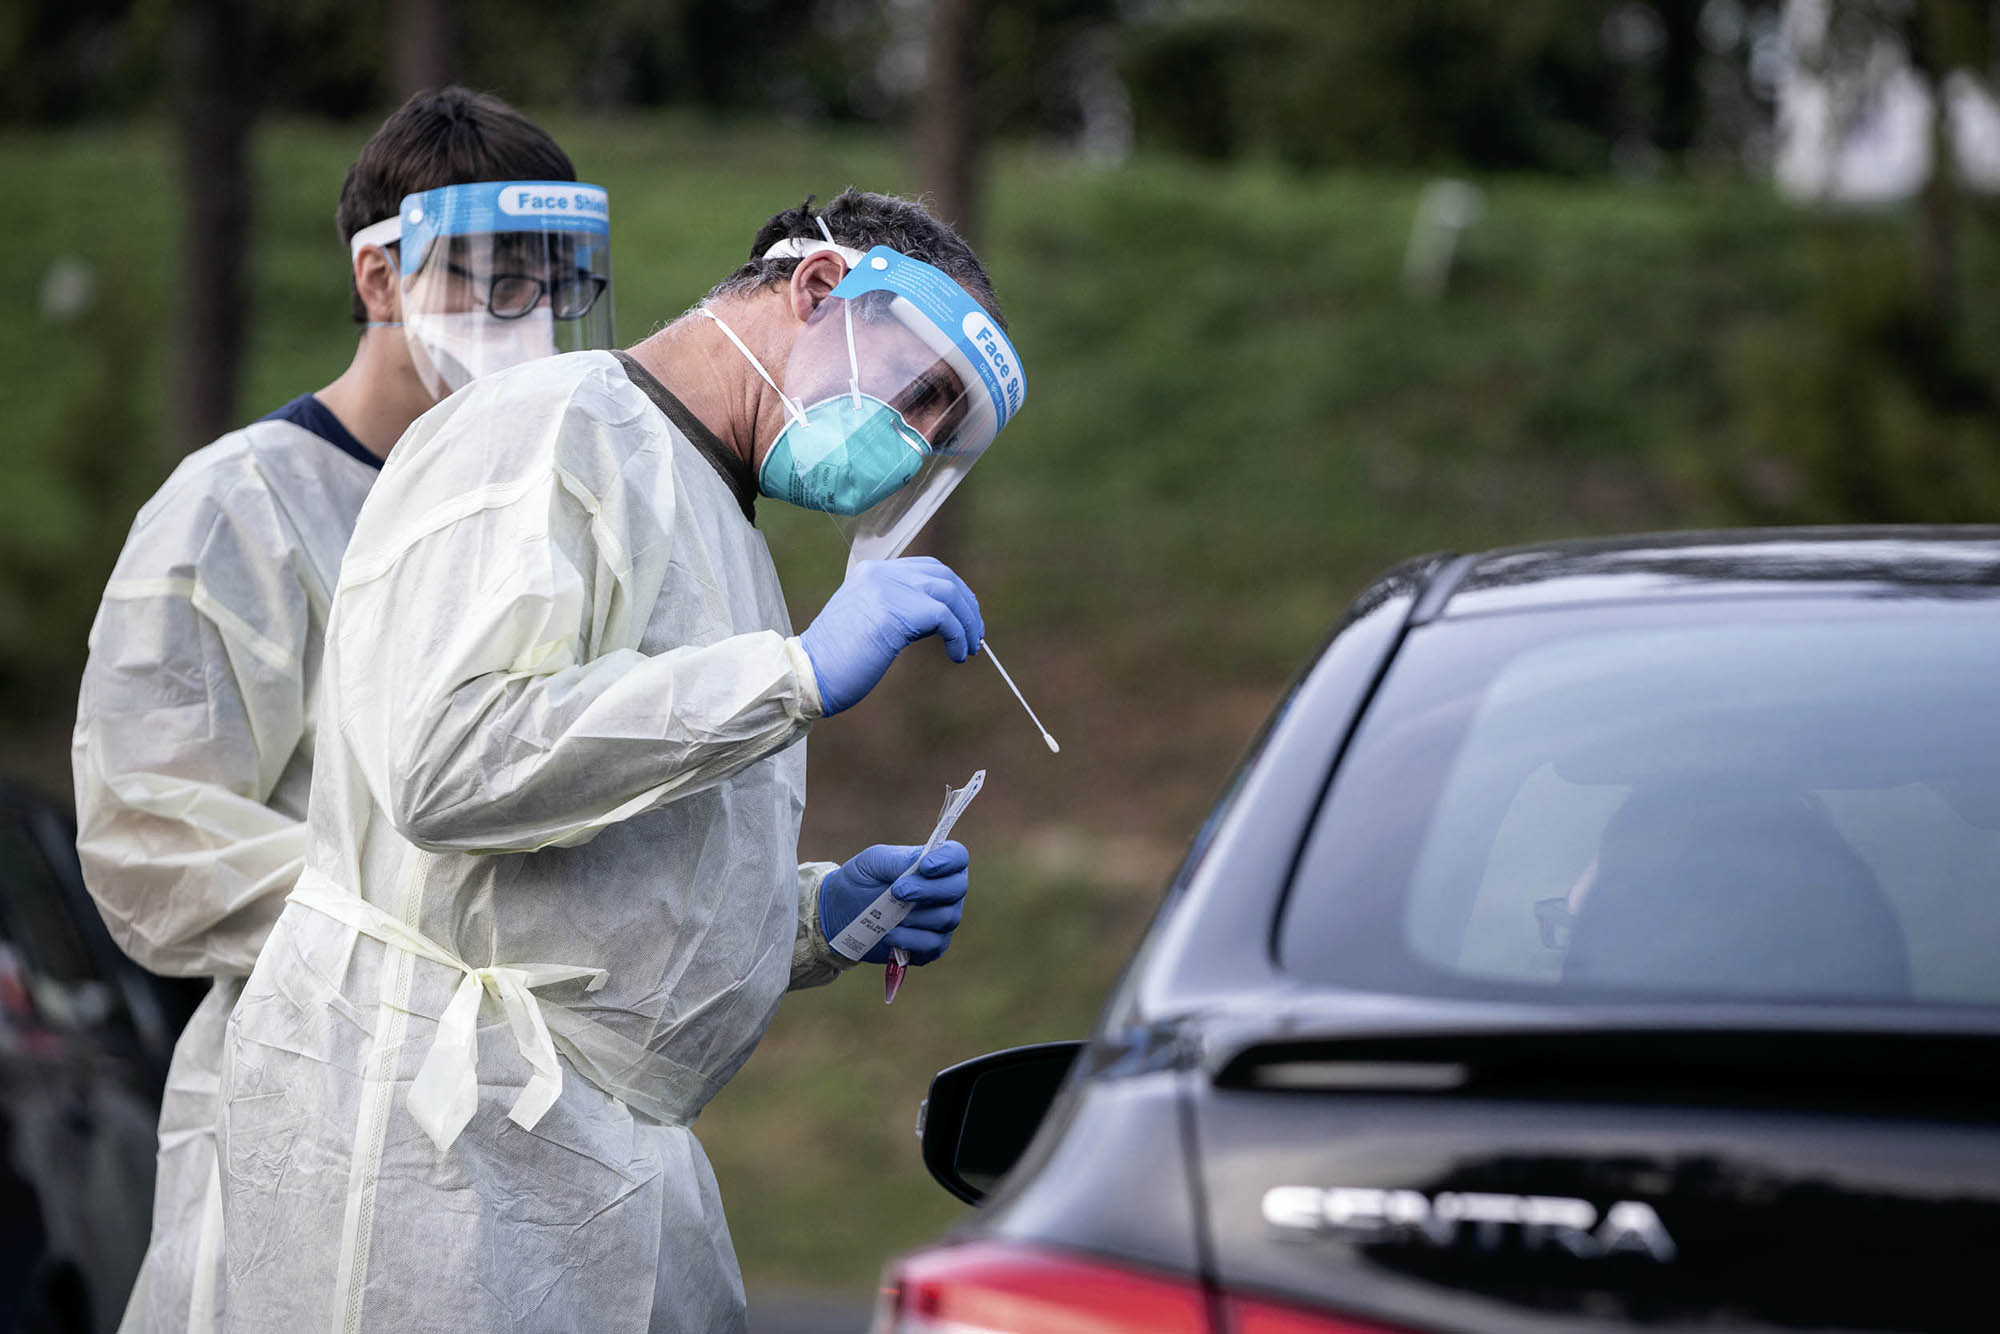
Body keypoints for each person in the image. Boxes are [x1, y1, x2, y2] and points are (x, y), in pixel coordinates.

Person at [215, 188, 1027, 1331]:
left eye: (942, 427)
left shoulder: (721, 527)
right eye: (923, 390)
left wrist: (816, 915)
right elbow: (448, 760)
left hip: (575, 1165)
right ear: (818, 289)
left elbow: (612, 857)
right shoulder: (550, 429)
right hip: (432, 1151)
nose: (916, 438)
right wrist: (786, 679)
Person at [70, 87, 613, 1334]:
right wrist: (424, 948)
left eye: (546, 286)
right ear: (380, 279)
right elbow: (155, 835)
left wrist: (799, 909)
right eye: (489, 282)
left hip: (522, 1128)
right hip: (303, 1109)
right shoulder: (240, 508)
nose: (520, 324)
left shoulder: (540, 519)